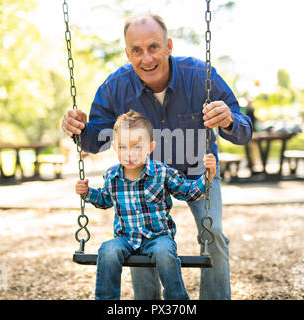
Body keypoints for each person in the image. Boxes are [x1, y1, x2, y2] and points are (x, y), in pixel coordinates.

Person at [62, 12, 253, 300]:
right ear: (128, 53)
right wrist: (77, 128)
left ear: (169, 46)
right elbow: (95, 139)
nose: (146, 58)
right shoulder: (115, 87)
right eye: (137, 50)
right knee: (139, 235)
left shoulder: (200, 77)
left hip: (197, 172)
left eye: (153, 47)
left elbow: (244, 132)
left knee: (213, 237)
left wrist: (227, 120)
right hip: (142, 175)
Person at [75, 110, 217, 300]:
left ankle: (177, 300)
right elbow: (105, 200)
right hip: (126, 238)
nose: (129, 154)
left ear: (150, 147)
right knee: (107, 250)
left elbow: (188, 192)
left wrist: (207, 176)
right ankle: (106, 300)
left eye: (137, 147)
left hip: (158, 237)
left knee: (164, 253)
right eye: (123, 147)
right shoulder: (112, 176)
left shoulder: (161, 172)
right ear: (115, 148)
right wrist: (87, 193)